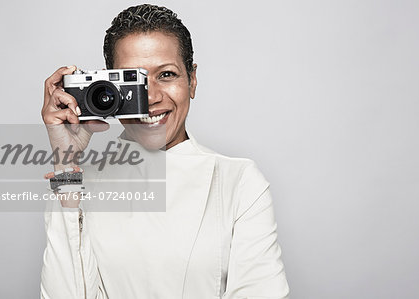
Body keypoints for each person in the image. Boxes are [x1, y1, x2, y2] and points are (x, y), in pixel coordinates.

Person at [40, 4, 289, 299]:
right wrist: (66, 163)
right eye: (134, 80)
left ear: (192, 80)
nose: (152, 97)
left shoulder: (239, 182)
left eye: (167, 74)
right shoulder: (78, 186)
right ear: (109, 89)